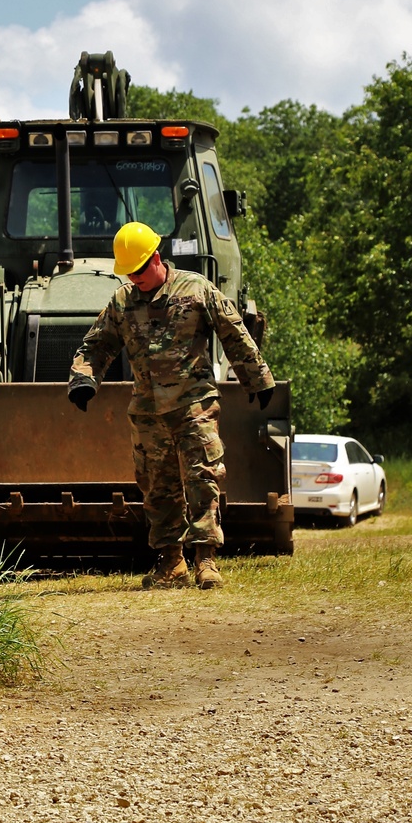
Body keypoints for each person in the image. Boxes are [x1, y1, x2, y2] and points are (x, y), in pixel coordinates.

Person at [68, 221, 275, 590]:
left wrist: (257, 378)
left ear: (157, 258)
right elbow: (97, 344)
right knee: (156, 487)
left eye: (140, 269)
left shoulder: (195, 289)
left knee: (203, 478)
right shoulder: (122, 301)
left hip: (194, 405)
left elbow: (233, 331)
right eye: (129, 272)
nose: (135, 277)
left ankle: (206, 561)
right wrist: (84, 379)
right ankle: (170, 562)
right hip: (147, 413)